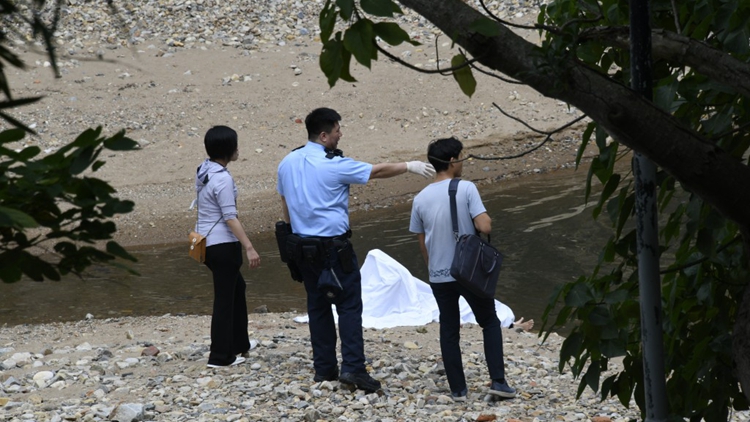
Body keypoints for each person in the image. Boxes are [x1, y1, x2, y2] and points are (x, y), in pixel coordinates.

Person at [276, 107, 435, 393]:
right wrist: (409, 165)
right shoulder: (333, 164)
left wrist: (290, 238)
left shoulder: (287, 162)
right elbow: (376, 171)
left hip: (302, 248)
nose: (341, 134)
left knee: (318, 307)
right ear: (324, 135)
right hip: (334, 250)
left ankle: (324, 370)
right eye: (337, 129)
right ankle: (353, 368)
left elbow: (285, 204)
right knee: (348, 307)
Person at [409, 136, 516, 401]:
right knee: (489, 321)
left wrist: (435, 270)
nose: (463, 161)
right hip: (468, 273)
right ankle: (498, 383)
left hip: (439, 275)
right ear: (453, 160)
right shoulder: (466, 188)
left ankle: (458, 390)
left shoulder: (420, 199)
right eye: (461, 157)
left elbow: (422, 243)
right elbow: (485, 227)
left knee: (449, 329)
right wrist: (485, 217)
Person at [195, 125, 261, 368]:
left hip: (206, 244)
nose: (238, 149)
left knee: (236, 289)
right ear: (227, 150)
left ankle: (239, 343)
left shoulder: (204, 169)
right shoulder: (222, 179)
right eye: (235, 145)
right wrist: (249, 246)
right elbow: (230, 216)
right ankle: (220, 357)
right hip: (222, 245)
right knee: (224, 300)